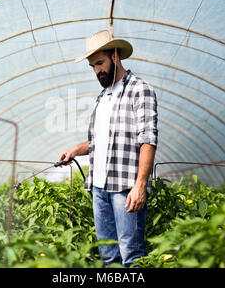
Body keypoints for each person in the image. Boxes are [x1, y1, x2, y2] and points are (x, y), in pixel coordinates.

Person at [57, 30, 158, 267]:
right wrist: (75, 150)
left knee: (131, 256)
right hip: (99, 188)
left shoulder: (139, 90)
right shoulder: (102, 97)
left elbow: (148, 139)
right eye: (92, 66)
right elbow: (100, 142)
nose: (97, 71)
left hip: (125, 188)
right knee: (108, 257)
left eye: (100, 63)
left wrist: (140, 185)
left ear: (115, 55)